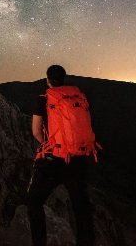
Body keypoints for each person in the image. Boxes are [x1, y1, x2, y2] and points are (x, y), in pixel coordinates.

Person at [27, 65, 95, 246]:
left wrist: (48, 145)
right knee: (81, 207)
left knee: (34, 201)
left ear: (47, 79)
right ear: (64, 78)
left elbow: (35, 131)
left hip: (54, 161)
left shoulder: (44, 98)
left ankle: (39, 242)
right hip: (78, 159)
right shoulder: (77, 95)